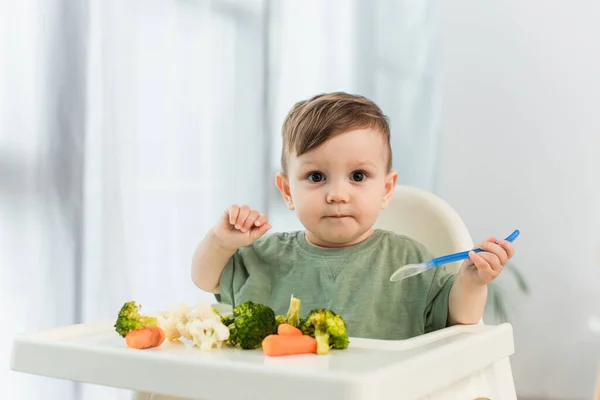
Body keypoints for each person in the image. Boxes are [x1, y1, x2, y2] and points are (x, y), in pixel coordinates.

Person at [191, 92, 515, 340]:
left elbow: (458, 320)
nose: (337, 194)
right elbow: (206, 279)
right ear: (287, 190)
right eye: (316, 177)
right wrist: (221, 240)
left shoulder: (409, 260)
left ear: (386, 189)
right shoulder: (266, 257)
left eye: (358, 176)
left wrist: (472, 282)